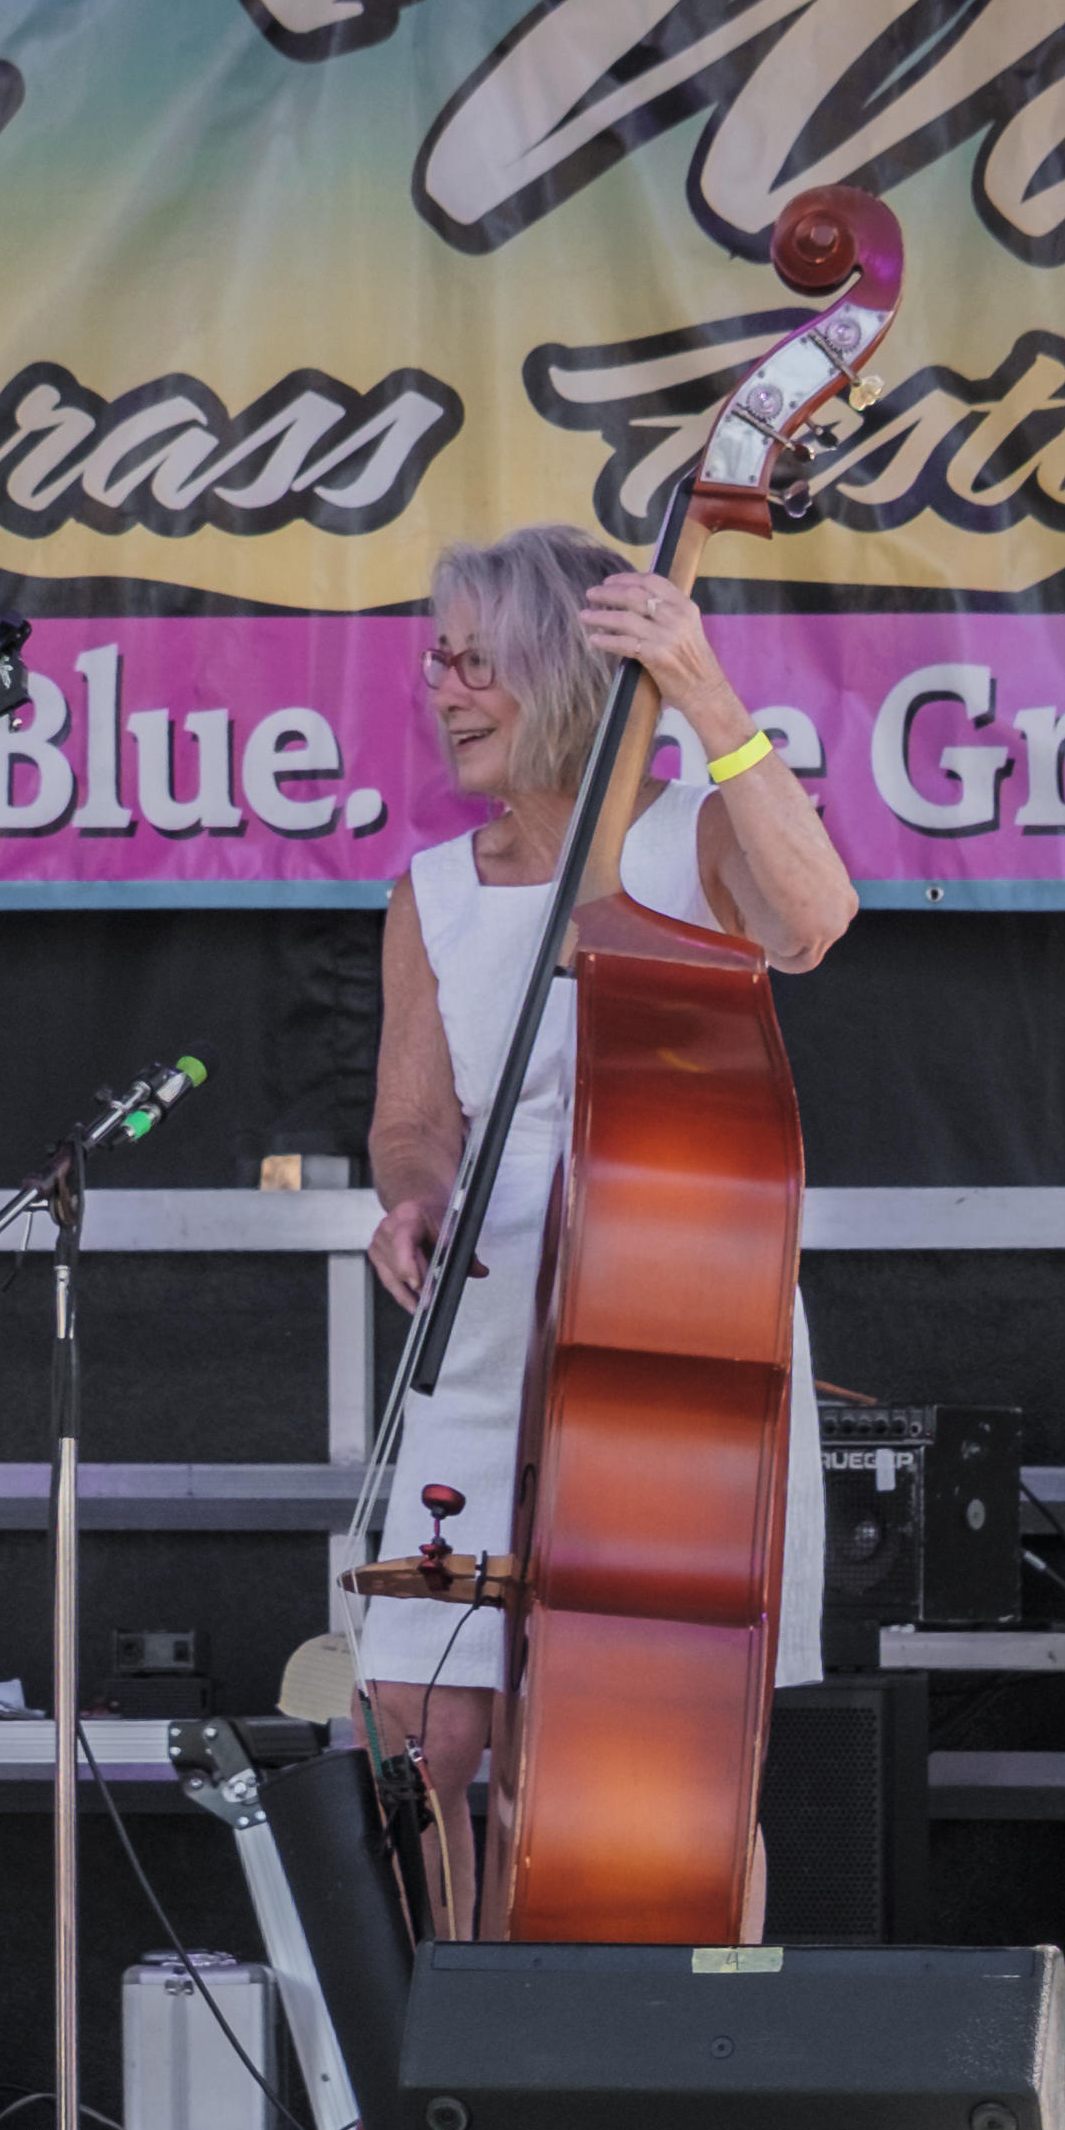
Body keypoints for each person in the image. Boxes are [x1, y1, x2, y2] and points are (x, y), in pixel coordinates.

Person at [360, 526, 856, 1936]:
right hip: (493, 1319)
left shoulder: (685, 834)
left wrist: (709, 699)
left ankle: (683, 2081)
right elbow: (414, 1118)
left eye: (474, 662)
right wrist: (412, 1196)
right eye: (437, 659)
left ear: (562, 674)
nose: (443, 688)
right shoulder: (431, 893)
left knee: (668, 1753)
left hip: (673, 1334)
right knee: (417, 1728)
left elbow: (817, 918)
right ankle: (429, 2088)